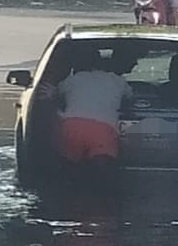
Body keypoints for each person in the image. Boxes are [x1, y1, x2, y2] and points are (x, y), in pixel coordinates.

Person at [49, 47, 133, 175]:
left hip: (71, 126)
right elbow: (129, 98)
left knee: (67, 171)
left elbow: (57, 95)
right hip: (103, 129)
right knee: (102, 174)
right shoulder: (118, 80)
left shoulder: (72, 80)